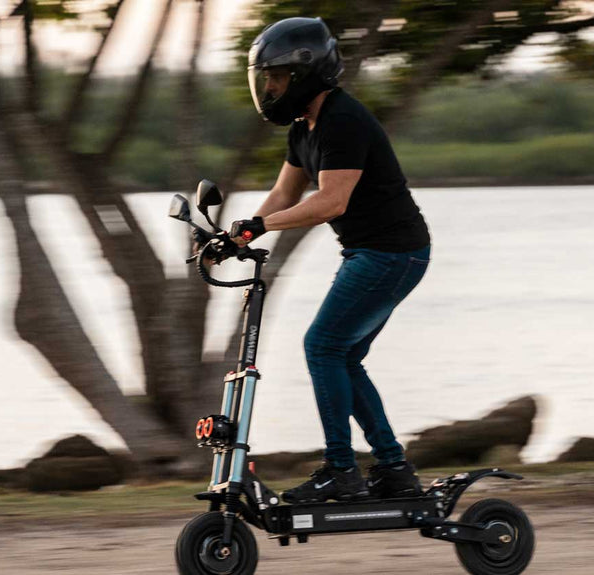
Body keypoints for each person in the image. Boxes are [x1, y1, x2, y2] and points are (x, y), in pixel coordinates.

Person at [227, 17, 431, 504]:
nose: (270, 87)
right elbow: (283, 193)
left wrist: (260, 229)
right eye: (267, 78)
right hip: (373, 253)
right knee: (343, 356)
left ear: (306, 73)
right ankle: (393, 468)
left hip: (393, 253)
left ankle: (341, 471)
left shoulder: (343, 120)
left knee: (322, 347)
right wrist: (233, 234)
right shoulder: (305, 128)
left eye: (276, 77)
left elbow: (330, 203)